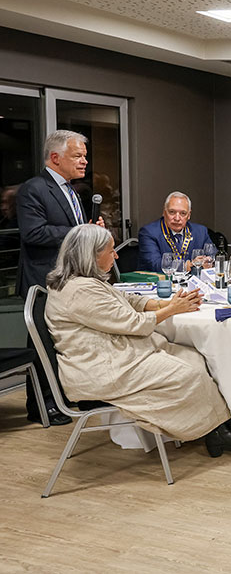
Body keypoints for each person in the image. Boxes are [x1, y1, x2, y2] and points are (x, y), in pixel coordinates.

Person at [44, 224, 231, 457]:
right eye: (111, 251)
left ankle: (215, 426)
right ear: (91, 255)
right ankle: (213, 430)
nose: (116, 256)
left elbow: (126, 299)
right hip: (99, 368)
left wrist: (164, 304)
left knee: (196, 357)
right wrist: (172, 310)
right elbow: (133, 323)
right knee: (188, 373)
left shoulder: (84, 281)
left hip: (111, 354)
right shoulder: (78, 291)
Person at [16, 129, 105, 426]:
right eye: (78, 156)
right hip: (42, 281)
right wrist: (81, 231)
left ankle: (70, 397)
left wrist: (91, 231)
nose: (84, 162)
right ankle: (42, 405)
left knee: (71, 342)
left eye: (85, 156)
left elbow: (73, 234)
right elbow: (34, 233)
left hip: (70, 280)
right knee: (43, 345)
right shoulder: (34, 188)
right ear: (55, 158)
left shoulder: (72, 191)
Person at [137, 192, 211, 271]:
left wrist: (208, 261)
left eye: (183, 213)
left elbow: (213, 257)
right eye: (172, 212)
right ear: (164, 212)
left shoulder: (201, 231)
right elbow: (156, 265)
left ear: (189, 215)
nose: (177, 218)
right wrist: (189, 265)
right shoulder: (149, 232)